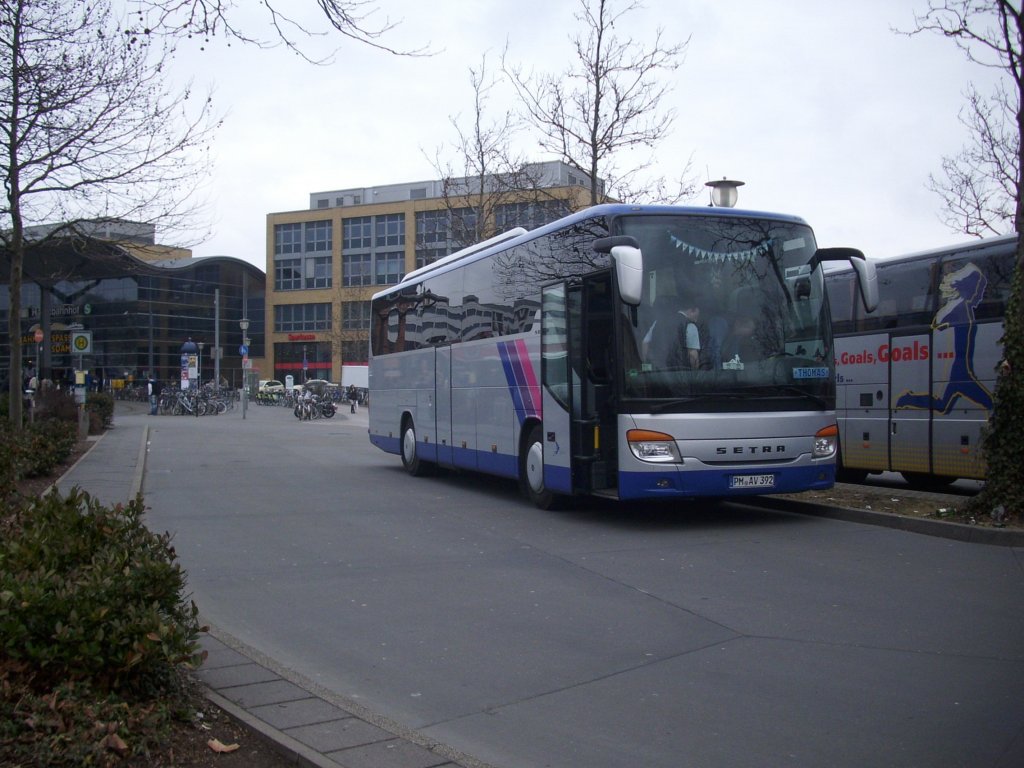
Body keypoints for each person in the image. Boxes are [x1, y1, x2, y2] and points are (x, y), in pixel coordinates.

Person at [643, 292, 703, 370]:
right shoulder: (690, 326)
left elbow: (645, 343)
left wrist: (646, 364)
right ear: (691, 310)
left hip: (658, 371)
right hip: (679, 373)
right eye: (696, 316)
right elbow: (693, 354)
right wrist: (695, 373)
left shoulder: (658, 322)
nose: (696, 320)